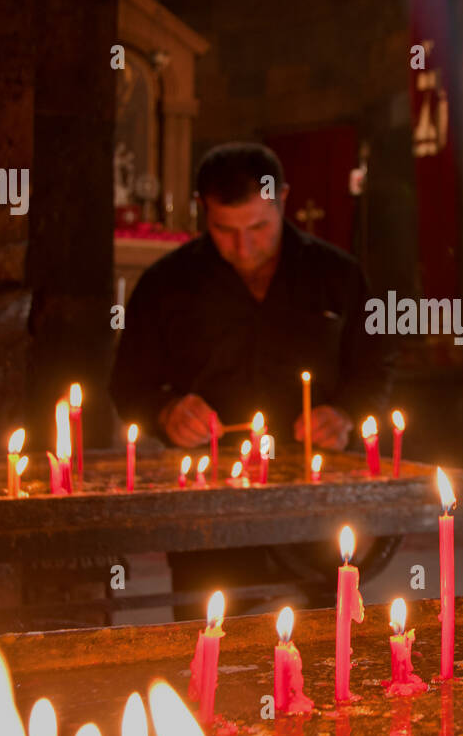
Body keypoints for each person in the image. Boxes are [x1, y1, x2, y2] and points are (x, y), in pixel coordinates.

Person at [110, 142, 393, 608]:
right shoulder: (166, 284)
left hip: (315, 498)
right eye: (224, 230)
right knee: (212, 645)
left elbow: (375, 365)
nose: (244, 247)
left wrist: (344, 415)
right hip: (208, 508)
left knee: (323, 649)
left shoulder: (336, 275)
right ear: (202, 209)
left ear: (282, 197)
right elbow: (128, 383)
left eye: (259, 226)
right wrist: (166, 411)